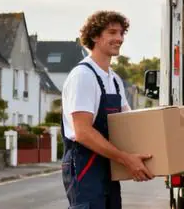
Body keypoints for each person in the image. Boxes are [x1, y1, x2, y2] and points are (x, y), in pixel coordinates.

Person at [60, 11, 155, 208]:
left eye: (121, 33)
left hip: (108, 164)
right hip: (84, 165)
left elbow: (129, 123)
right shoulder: (83, 76)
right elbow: (83, 132)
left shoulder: (114, 79)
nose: (119, 39)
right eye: (112, 32)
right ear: (95, 36)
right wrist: (127, 159)